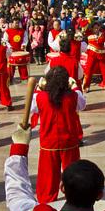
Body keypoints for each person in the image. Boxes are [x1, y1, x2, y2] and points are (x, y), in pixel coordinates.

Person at [32, 66, 86, 203]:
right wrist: (74, 87)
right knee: (73, 173)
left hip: (48, 142)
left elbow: (33, 108)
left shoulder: (40, 97)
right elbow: (82, 105)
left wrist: (39, 88)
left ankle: (47, 199)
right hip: (69, 141)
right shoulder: (73, 96)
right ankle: (74, 197)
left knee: (48, 174)